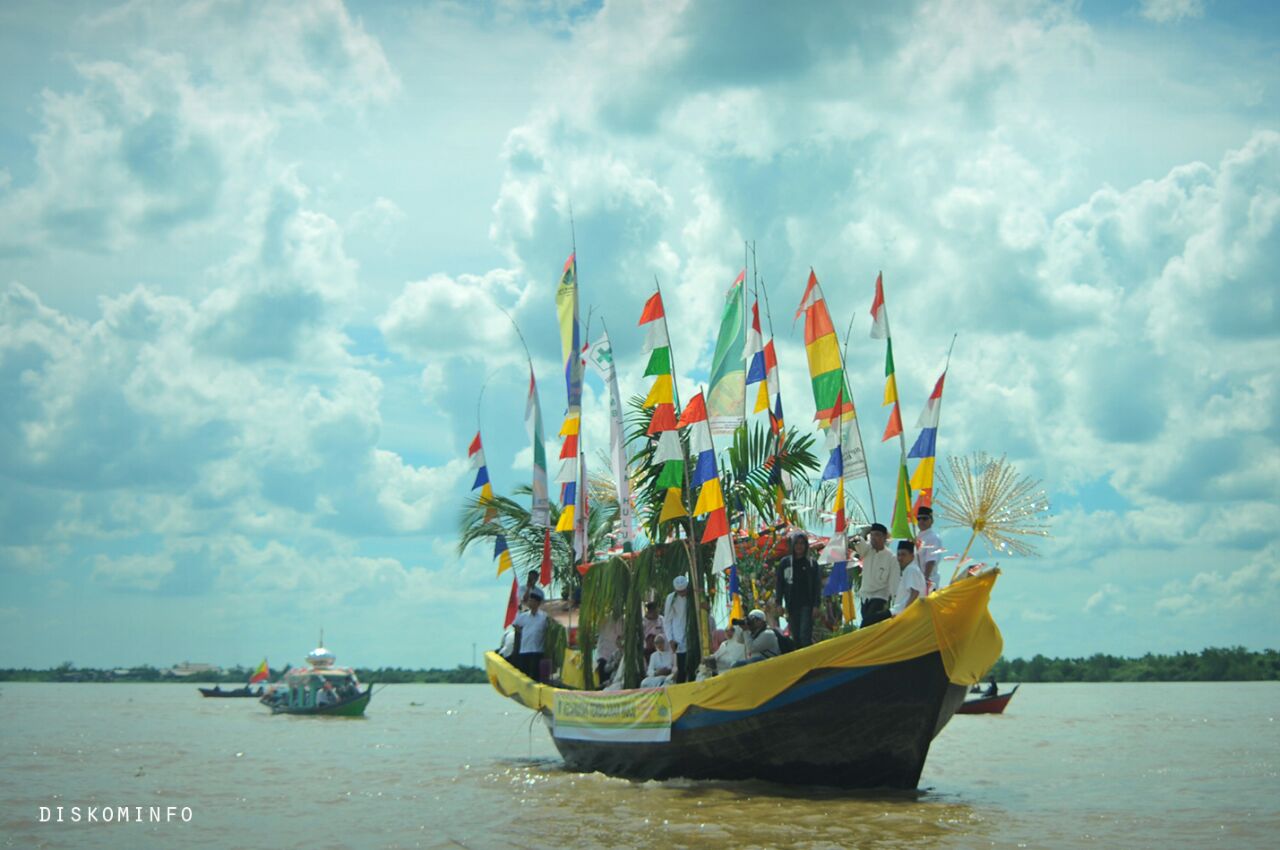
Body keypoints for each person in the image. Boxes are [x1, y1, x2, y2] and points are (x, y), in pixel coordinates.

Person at [775, 531, 822, 648]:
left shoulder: (812, 563)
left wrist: (816, 605)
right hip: (791, 605)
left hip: (807, 604)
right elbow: (779, 584)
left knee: (804, 635)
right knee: (795, 637)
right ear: (792, 545)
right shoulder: (785, 563)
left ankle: (808, 661)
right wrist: (778, 604)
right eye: (797, 543)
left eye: (802, 543)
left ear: (806, 546)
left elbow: (817, 586)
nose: (799, 546)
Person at [852, 523, 899, 628]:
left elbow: (894, 582)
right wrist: (863, 533)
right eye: (872, 535)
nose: (874, 538)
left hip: (880, 596)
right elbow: (857, 542)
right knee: (869, 625)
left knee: (867, 623)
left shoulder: (891, 558)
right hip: (865, 596)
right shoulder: (867, 550)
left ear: (884, 537)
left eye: (877, 535)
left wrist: (896, 604)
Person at [512, 587, 549, 682]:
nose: (530, 603)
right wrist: (521, 632)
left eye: (532, 601)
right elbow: (515, 624)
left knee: (535, 674)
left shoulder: (543, 617)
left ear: (537, 603)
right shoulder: (524, 616)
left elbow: (548, 628)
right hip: (525, 649)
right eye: (529, 600)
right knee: (525, 673)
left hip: (537, 650)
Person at [663, 576, 691, 683]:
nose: (682, 593)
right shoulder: (671, 598)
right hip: (678, 637)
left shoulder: (692, 596)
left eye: (683, 591)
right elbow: (667, 620)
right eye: (679, 591)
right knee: (682, 668)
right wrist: (670, 639)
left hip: (692, 635)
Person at [891, 540, 927, 616]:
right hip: (898, 611)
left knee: (869, 621)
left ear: (912, 556)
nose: (900, 558)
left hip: (900, 613)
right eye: (898, 555)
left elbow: (915, 593)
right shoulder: (911, 569)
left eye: (903, 555)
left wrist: (905, 613)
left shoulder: (911, 569)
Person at [915, 506, 943, 595]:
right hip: (916, 580)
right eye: (919, 519)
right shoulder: (917, 537)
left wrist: (925, 579)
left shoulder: (933, 538)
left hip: (928, 581)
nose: (921, 521)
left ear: (931, 520)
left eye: (925, 518)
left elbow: (930, 561)